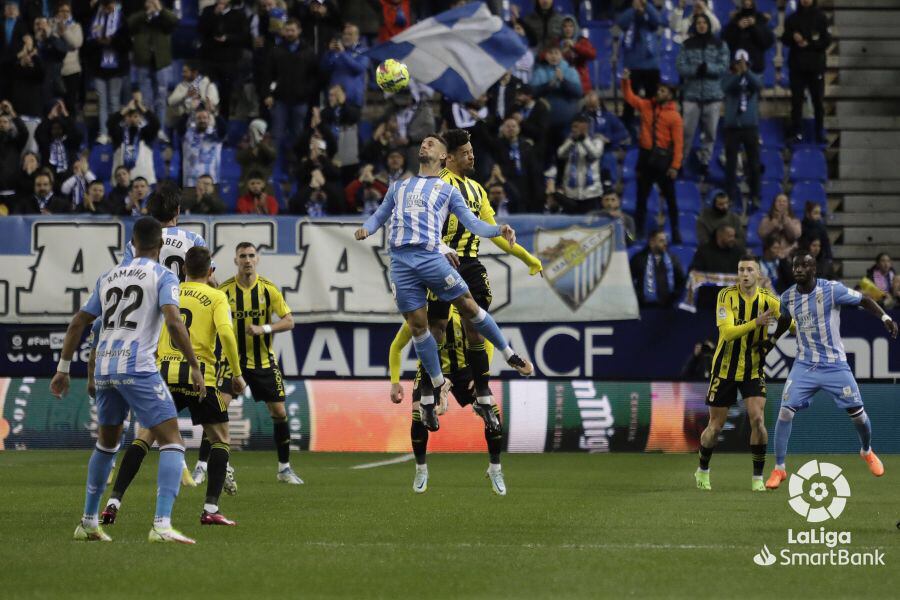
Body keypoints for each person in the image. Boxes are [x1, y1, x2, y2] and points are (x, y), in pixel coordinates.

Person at [354, 134, 534, 432]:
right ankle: (437, 386)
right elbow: (379, 217)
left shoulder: (447, 191)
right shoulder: (398, 187)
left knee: (468, 307)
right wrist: (366, 229)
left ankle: (508, 353)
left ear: (442, 157)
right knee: (420, 327)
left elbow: (474, 224)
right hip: (400, 263)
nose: (424, 145)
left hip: (431, 257)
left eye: (431, 144)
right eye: (423, 143)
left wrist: (498, 229)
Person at [50, 216, 203, 544]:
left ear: (132, 244)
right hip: (138, 368)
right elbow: (174, 321)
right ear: (160, 247)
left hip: (105, 368)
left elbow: (79, 321)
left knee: (107, 444)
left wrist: (63, 368)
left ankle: (89, 521)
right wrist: (193, 364)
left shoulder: (107, 277)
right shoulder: (163, 275)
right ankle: (161, 525)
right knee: (173, 440)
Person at [101, 246, 246, 527]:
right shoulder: (217, 297)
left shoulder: (170, 290)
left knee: (145, 437)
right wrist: (237, 374)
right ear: (211, 271)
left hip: (163, 374)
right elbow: (227, 335)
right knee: (221, 439)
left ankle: (112, 503)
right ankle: (210, 509)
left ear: (183, 270)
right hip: (199, 378)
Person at [424, 129, 542, 416]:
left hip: (470, 263)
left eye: (472, 151)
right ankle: (430, 391)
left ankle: (483, 391)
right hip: (440, 261)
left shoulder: (477, 189)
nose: (472, 156)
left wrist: (528, 257)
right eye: (465, 153)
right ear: (448, 158)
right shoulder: (435, 185)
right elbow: (423, 227)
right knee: (435, 328)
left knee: (475, 324)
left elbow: (494, 233)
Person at [765, 252, 898, 489]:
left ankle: (866, 450)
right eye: (795, 266)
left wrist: (885, 317)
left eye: (804, 265)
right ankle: (779, 469)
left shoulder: (831, 290)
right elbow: (785, 320)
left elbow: (864, 299)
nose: (798, 269)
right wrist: (772, 340)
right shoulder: (787, 297)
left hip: (835, 365)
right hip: (804, 365)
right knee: (785, 412)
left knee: (858, 415)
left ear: (814, 269)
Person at [695, 255, 792, 492]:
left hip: (753, 368)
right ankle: (703, 469)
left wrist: (775, 337)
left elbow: (789, 321)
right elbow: (727, 334)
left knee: (757, 419)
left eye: (750, 269)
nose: (745, 274)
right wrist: (756, 323)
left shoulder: (769, 300)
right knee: (715, 425)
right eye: (741, 269)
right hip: (725, 368)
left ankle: (757, 477)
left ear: (759, 275)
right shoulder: (726, 296)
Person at [389, 305, 506, 495]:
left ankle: (495, 469)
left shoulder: (463, 313)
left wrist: (480, 377)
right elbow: (396, 346)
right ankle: (421, 470)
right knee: (418, 414)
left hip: (464, 370)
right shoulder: (420, 317)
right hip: (430, 371)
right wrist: (395, 382)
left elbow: (488, 343)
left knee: (491, 409)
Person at [209, 243, 301, 484]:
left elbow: (289, 321)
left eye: (251, 256)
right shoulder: (225, 290)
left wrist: (265, 328)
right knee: (217, 409)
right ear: (236, 259)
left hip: (262, 361)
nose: (247, 260)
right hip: (231, 361)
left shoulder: (268, 289)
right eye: (243, 256)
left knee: (279, 412)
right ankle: (206, 466)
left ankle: (284, 469)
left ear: (257, 259)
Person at [622, 70, 683, 243]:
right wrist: (626, 81)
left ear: (670, 95)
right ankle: (639, 231)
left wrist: (675, 166)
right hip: (645, 158)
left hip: (663, 161)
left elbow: (678, 144)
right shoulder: (646, 106)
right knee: (641, 199)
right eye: (659, 90)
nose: (659, 93)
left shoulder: (675, 117)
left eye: (663, 91)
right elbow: (630, 98)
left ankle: (676, 231)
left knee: (671, 200)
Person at [676, 13, 728, 176]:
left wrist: (709, 69)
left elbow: (723, 66)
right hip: (691, 95)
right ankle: (681, 162)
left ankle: (705, 162)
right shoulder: (687, 45)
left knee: (710, 133)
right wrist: (694, 71)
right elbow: (681, 67)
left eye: (704, 22)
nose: (701, 25)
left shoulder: (720, 44)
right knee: (686, 132)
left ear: (709, 25)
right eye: (698, 22)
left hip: (713, 96)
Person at [263, 18, 317, 160]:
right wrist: (268, 94)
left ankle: (296, 167)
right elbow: (268, 74)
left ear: (299, 31)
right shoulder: (276, 51)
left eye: (292, 30)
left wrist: (307, 91)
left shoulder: (309, 51)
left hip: (300, 101)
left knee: (297, 136)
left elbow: (314, 75)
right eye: (287, 30)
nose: (290, 33)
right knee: (277, 135)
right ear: (283, 31)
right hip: (280, 100)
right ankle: (273, 168)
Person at [782, 0, 831, 144]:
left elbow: (826, 41)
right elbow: (785, 39)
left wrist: (809, 44)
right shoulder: (792, 18)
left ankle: (819, 132)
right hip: (797, 67)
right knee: (796, 102)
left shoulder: (821, 17)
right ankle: (796, 131)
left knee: (818, 102)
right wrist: (793, 37)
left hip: (815, 67)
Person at [128, 0, 177, 140]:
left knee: (161, 99)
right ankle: (147, 129)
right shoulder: (140, 16)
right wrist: (146, 13)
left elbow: (174, 22)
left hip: (161, 63)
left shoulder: (164, 16)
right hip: (143, 63)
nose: (151, 2)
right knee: (146, 100)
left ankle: (160, 129)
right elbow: (129, 23)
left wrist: (160, 9)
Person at [721, 49, 762, 210]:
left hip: (750, 127)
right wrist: (738, 75)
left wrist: (747, 73)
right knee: (730, 165)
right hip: (732, 128)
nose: (741, 66)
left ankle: (755, 194)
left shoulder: (754, 77)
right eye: (738, 63)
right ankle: (730, 195)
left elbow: (758, 86)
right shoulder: (728, 77)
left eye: (743, 63)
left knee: (754, 163)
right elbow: (725, 87)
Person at [86, 0, 130, 145]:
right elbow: (88, 42)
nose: (109, 8)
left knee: (114, 101)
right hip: (98, 68)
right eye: (106, 5)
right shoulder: (94, 17)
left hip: (116, 68)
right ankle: (104, 133)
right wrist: (99, 42)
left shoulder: (121, 18)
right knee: (102, 102)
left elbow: (127, 43)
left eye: (110, 4)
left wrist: (112, 41)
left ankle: (115, 131)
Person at [616, 0, 662, 135]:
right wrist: (634, 9)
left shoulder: (650, 15)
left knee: (653, 102)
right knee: (629, 104)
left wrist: (646, 5)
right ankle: (626, 133)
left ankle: (654, 131)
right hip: (632, 66)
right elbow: (621, 23)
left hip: (651, 66)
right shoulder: (629, 14)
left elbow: (657, 20)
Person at [556, 114, 603, 213]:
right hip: (571, 192)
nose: (575, 130)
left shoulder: (597, 140)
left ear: (586, 127)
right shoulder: (569, 140)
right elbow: (560, 154)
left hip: (591, 192)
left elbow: (595, 154)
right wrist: (572, 141)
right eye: (574, 127)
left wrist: (584, 139)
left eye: (579, 127)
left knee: (589, 224)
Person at [109, 96, 160, 185]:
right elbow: (110, 123)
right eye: (129, 116)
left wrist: (141, 107)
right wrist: (126, 109)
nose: (132, 119)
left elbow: (156, 124)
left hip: (144, 182)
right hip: (122, 183)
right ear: (125, 118)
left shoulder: (146, 134)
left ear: (140, 118)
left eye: (136, 116)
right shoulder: (119, 134)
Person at [629, 229, 685, 307]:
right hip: (645, 307)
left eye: (665, 240)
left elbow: (681, 281)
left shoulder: (673, 259)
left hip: (668, 307)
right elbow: (629, 280)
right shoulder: (638, 259)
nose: (665, 243)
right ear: (652, 243)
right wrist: (639, 297)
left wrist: (673, 296)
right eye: (661, 241)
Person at [320, 22, 368, 108]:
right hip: (335, 98)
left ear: (357, 36)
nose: (346, 37)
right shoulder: (335, 51)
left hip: (353, 99)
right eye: (345, 34)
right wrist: (329, 52)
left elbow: (359, 69)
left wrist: (342, 54)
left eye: (350, 34)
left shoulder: (364, 51)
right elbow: (324, 68)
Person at [721, 0, 775, 78]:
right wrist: (737, 27)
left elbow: (767, 42)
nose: (747, 2)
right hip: (736, 68)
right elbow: (726, 43)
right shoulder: (735, 19)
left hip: (755, 67)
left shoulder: (760, 18)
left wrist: (754, 26)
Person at [180, 107, 224, 189]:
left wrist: (214, 112)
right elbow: (179, 127)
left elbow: (223, 129)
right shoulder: (188, 134)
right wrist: (187, 111)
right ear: (195, 120)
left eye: (205, 118)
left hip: (211, 183)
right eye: (199, 118)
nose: (202, 120)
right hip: (190, 183)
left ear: (209, 119)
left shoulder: (215, 135)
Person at [166, 61, 220, 126]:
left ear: (194, 73)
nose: (182, 74)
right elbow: (170, 102)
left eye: (185, 72)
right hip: (185, 121)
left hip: (205, 121)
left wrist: (200, 98)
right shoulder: (181, 86)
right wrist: (185, 95)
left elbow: (213, 105)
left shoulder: (209, 85)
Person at [559, 14, 596, 95]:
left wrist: (575, 46)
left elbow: (592, 55)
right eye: (565, 26)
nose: (568, 29)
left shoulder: (582, 41)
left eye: (571, 26)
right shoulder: (557, 42)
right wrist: (562, 52)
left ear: (575, 27)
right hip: (562, 83)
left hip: (581, 83)